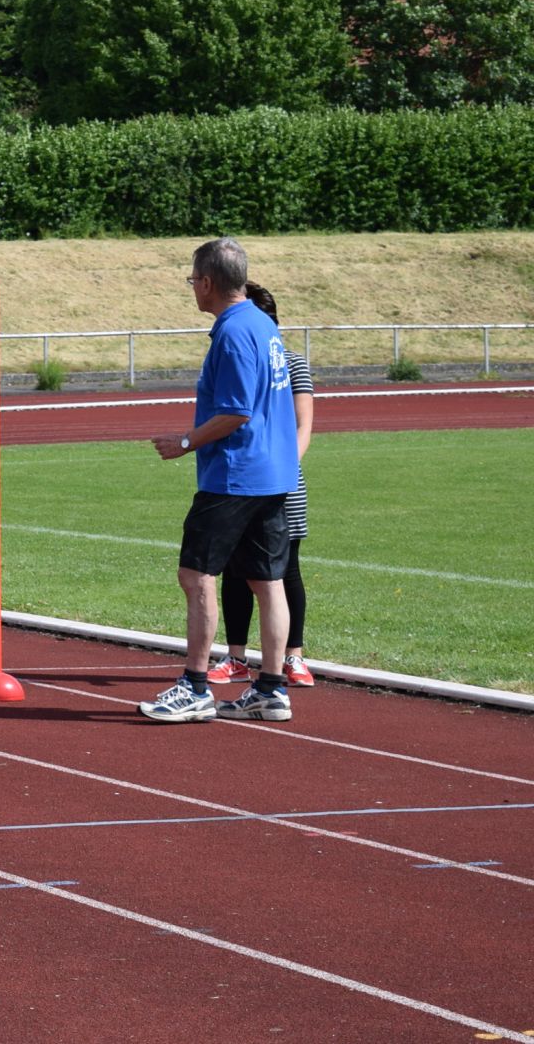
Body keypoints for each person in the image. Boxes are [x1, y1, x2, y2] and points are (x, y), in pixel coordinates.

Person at [140, 237, 300, 725]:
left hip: (235, 475)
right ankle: (271, 689)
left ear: (207, 282)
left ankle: (195, 686)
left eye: (193, 280)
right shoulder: (264, 325)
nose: (192, 288)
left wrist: (185, 442)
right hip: (273, 473)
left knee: (196, 575)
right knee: (267, 580)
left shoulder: (233, 332)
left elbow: (236, 411)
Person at [209, 284, 317, 688]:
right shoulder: (235, 358)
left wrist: (284, 468)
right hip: (241, 478)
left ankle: (294, 657)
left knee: (286, 568)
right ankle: (236, 657)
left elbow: (303, 426)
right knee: (236, 568)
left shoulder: (292, 363)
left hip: (281, 480)